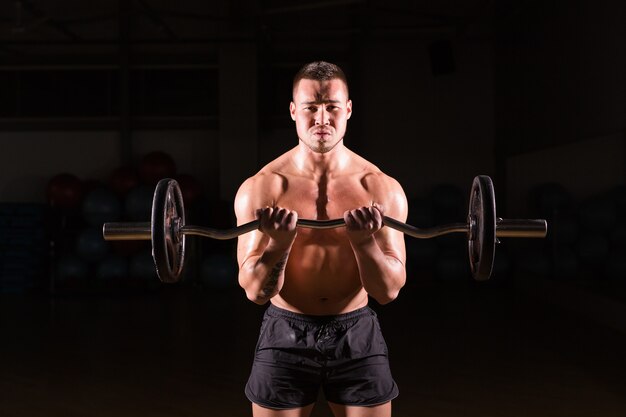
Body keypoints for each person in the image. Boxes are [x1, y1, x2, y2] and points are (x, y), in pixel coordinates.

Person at [234, 61, 408, 417]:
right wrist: (279, 245)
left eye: (331, 107)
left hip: (357, 330)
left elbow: (388, 291)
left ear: (348, 109)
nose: (322, 119)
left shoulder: (380, 188)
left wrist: (364, 243)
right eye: (311, 107)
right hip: (285, 331)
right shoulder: (262, 187)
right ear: (294, 111)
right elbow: (254, 292)